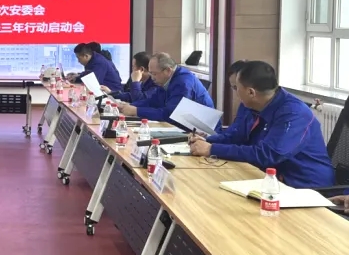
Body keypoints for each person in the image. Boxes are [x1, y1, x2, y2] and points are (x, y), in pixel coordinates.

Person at [189, 60, 335, 189]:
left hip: (303, 186)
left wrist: (211, 149)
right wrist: (207, 141)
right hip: (269, 178)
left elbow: (267, 154)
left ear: (251, 92)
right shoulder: (255, 105)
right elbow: (238, 136)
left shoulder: (293, 113)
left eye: (236, 88)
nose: (236, 93)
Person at [117, 52, 214, 124]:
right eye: (150, 73)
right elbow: (153, 101)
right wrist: (129, 106)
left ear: (168, 70)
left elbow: (171, 114)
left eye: (154, 74)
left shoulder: (182, 83)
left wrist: (136, 110)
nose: (152, 78)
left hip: (203, 132)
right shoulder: (166, 80)